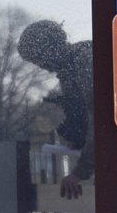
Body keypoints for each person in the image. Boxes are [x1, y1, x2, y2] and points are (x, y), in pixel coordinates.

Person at [18, 19, 95, 200]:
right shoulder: (70, 69)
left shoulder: (84, 63)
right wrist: (80, 140)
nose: (42, 68)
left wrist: (80, 171)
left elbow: (103, 120)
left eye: (38, 60)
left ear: (50, 51)